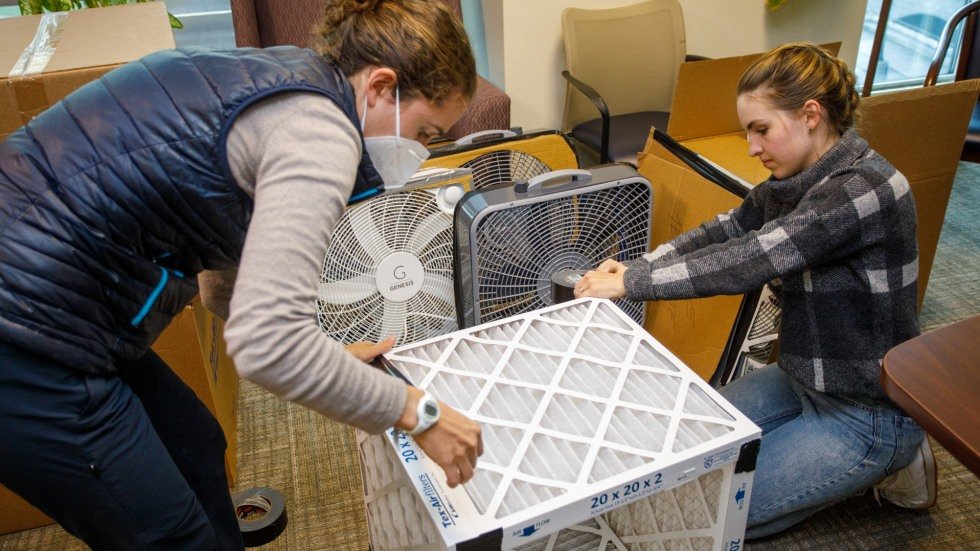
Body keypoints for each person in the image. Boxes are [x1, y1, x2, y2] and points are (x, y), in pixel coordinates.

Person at [0, 0, 483, 549]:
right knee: (170, 535)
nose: (420, 152)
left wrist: (319, 356)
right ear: (379, 88)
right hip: (26, 339)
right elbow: (266, 345)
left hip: (64, 300)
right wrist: (419, 414)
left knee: (195, 446)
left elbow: (237, 269)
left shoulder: (289, 80)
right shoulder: (321, 134)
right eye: (424, 130)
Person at [574, 42, 934, 538]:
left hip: (866, 411)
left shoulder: (861, 190)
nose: (751, 147)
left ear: (811, 115)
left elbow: (752, 259)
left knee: (701, 516)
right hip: (801, 378)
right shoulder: (798, 177)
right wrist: (638, 265)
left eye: (760, 129)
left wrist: (631, 284)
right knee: (676, 451)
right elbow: (725, 231)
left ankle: (898, 456)